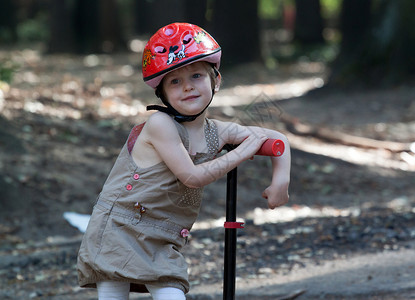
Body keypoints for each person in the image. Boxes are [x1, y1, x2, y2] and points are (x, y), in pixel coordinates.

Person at [77, 22, 291, 300]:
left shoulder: (217, 131)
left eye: (197, 76)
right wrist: (240, 152)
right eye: (175, 81)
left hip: (162, 239)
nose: (188, 87)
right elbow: (192, 177)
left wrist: (280, 181)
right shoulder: (160, 124)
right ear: (162, 93)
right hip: (119, 230)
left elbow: (275, 137)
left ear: (216, 80)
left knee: (171, 292)